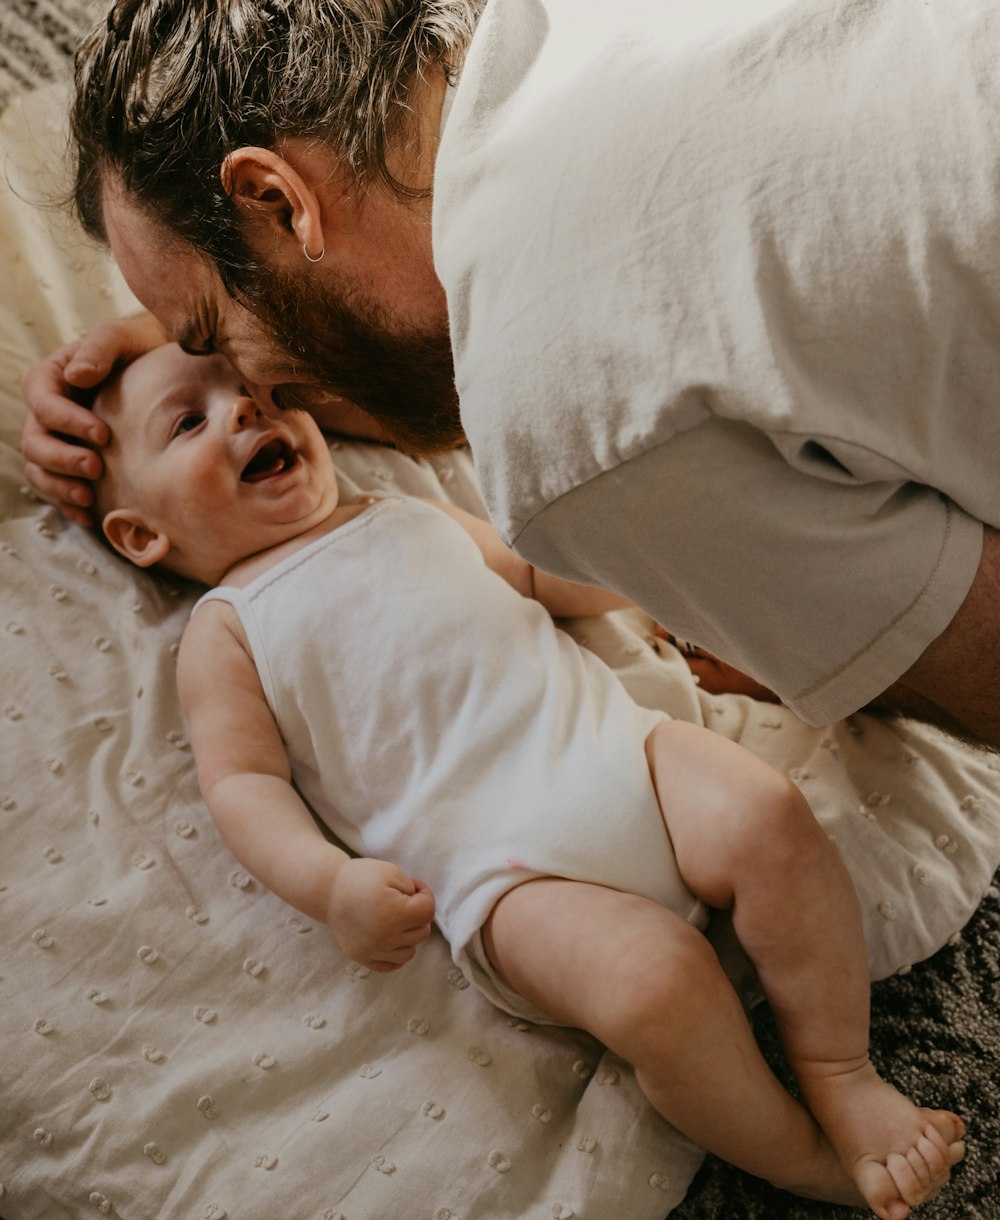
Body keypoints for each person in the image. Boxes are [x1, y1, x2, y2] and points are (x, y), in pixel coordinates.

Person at [87, 340, 965, 1220]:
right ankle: (795, 1156)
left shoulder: (403, 513)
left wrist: (652, 586)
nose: (246, 411)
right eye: (190, 421)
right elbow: (243, 784)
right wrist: (330, 885)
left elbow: (539, 573)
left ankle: (839, 1071)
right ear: (140, 532)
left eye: (253, 394)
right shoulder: (229, 628)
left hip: (625, 756)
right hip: (511, 880)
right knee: (658, 988)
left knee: (770, 814)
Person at [20, 0, 1000, 749]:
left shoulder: (560, 418)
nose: (257, 393)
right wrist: (175, 347)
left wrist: (802, 638)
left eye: (213, 335)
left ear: (277, 198)